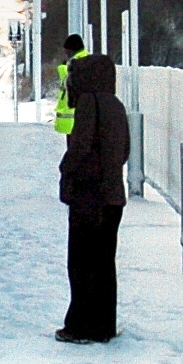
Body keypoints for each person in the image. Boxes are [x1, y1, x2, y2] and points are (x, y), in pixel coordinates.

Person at [56, 51, 129, 343]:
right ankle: (103, 326)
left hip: (90, 196)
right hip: (113, 197)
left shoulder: (89, 103)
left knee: (81, 263)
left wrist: (67, 170)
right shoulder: (116, 105)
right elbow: (124, 151)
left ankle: (79, 327)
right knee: (103, 264)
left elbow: (81, 147)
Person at [51, 35, 88, 134]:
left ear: (71, 50)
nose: (65, 54)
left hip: (74, 120)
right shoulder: (81, 62)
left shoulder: (77, 65)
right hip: (75, 120)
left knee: (75, 147)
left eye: (66, 51)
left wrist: (63, 68)